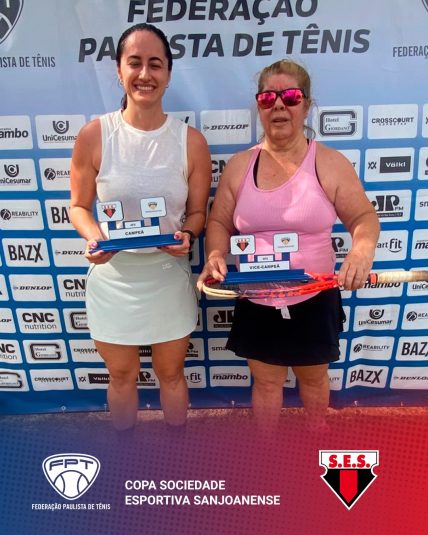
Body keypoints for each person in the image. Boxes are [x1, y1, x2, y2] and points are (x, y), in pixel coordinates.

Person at [197, 59, 380, 434]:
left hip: (314, 297)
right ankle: (267, 450)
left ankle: (316, 438)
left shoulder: (329, 163)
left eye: (291, 96)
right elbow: (218, 222)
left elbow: (364, 218)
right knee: (266, 383)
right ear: (259, 106)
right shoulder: (239, 166)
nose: (279, 105)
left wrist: (361, 252)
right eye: (268, 98)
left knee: (313, 380)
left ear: (306, 105)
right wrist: (215, 254)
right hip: (256, 296)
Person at [70, 23, 211, 436]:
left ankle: (176, 450)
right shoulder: (94, 135)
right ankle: (125, 452)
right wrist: (94, 236)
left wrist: (188, 235)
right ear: (119, 71)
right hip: (113, 279)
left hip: (167, 277)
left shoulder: (191, 142)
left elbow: (197, 214)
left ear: (168, 73)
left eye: (155, 64)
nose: (145, 74)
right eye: (135, 63)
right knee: (121, 376)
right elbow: (78, 207)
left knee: (171, 374)